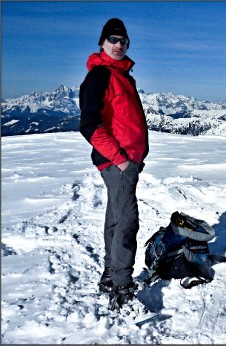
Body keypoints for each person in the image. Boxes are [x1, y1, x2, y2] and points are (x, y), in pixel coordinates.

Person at [79, 18, 149, 310]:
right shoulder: (99, 77)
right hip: (118, 161)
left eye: (123, 40)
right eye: (113, 39)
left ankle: (111, 273)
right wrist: (120, 160)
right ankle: (122, 286)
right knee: (127, 221)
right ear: (102, 43)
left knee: (116, 217)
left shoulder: (123, 75)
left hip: (127, 160)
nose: (119, 45)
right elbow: (91, 126)